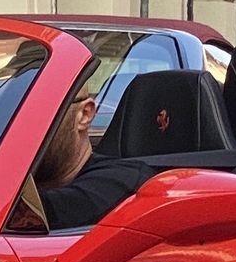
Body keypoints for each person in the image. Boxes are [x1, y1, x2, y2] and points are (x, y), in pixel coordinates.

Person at [32, 89, 157, 231]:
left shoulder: (123, 179)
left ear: (84, 114)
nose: (23, 128)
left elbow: (41, 212)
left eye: (38, 112)